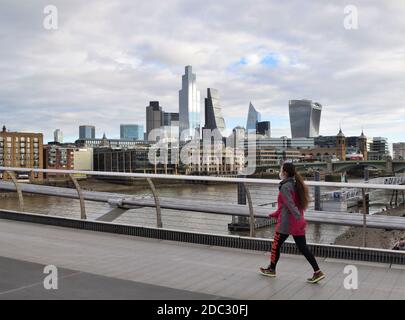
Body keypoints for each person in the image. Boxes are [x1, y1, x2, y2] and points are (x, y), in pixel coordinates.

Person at [259, 162, 325, 284]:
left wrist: (299, 218)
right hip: (296, 222)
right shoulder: (296, 184)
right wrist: (275, 214)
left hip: (287, 223)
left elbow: (290, 204)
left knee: (275, 246)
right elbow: (285, 205)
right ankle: (317, 271)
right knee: (303, 248)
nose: (280, 172)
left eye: (281, 170)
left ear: (285, 172)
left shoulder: (285, 186)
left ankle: (272, 269)